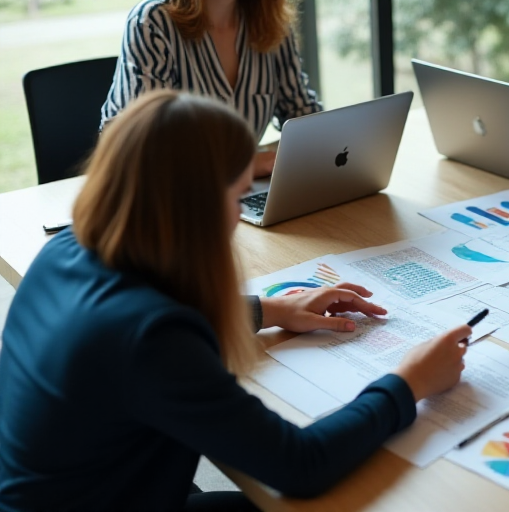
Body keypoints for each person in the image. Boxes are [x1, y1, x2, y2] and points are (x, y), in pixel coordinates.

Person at [0, 90, 469, 511]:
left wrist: (269, 309)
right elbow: (299, 465)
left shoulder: (69, 249)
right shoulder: (152, 337)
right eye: (240, 195)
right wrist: (409, 383)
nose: (241, 213)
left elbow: (130, 328)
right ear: (196, 206)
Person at [100, 0, 322, 177]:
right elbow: (140, 149)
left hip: (234, 196)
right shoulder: (152, 21)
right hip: (165, 203)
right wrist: (241, 165)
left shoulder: (273, 23)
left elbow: (302, 113)